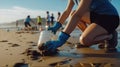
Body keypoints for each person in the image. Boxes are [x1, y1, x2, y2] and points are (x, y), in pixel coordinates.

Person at [39, 0, 119, 54]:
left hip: (110, 18)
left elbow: (78, 15)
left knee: (84, 40)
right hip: (97, 16)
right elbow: (67, 11)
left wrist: (61, 39)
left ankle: (110, 36)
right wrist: (57, 25)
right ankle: (94, 35)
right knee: (73, 13)